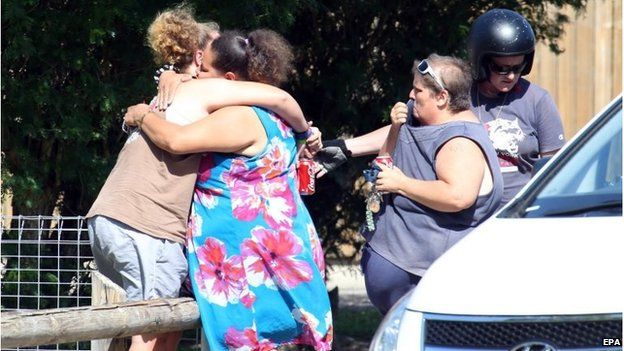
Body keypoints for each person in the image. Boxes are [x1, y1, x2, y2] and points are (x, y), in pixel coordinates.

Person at [86, 7, 318, 351]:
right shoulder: (204, 92)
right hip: (143, 224)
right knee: (149, 330)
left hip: (135, 224)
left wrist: (142, 111)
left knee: (167, 327)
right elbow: (280, 98)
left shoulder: (194, 92)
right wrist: (305, 131)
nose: (199, 69)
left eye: (205, 64)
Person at [316, 8, 565, 206]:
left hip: (514, 215)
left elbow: (555, 169)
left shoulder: (537, 101)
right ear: (481, 61)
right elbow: (403, 127)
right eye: (501, 68)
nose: (510, 76)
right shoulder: (457, 93)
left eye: (517, 67)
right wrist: (346, 148)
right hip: (462, 216)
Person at [360, 54, 503, 315]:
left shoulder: (460, 140)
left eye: (418, 90)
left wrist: (401, 184)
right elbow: (383, 163)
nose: (411, 95)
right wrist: (394, 128)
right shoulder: (419, 121)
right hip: (397, 269)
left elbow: (457, 196)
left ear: (442, 97)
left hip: (428, 280)